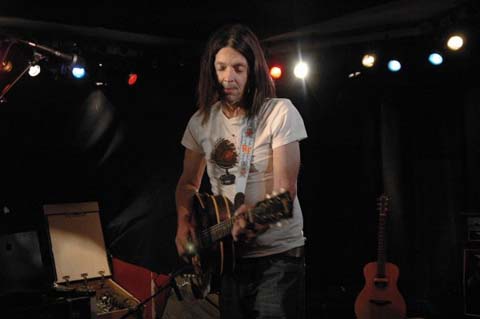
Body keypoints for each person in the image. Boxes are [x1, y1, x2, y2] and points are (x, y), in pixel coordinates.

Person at [174, 23, 307, 319]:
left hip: (278, 260)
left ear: (253, 70)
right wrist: (183, 224)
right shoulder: (200, 122)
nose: (228, 78)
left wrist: (255, 219)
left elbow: (286, 196)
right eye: (221, 68)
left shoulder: (280, 113)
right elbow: (187, 184)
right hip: (229, 260)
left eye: (237, 68)